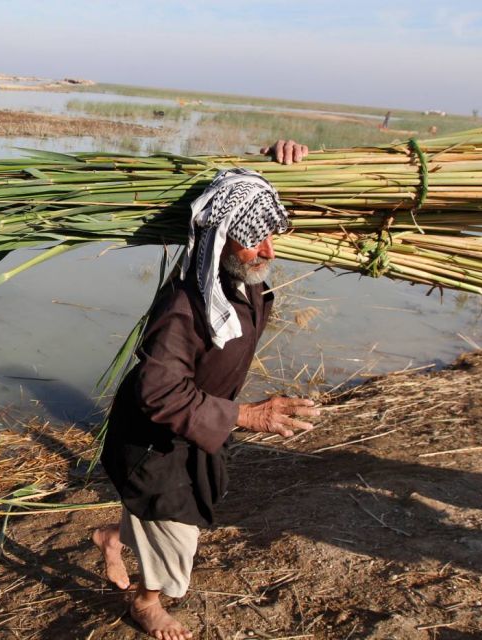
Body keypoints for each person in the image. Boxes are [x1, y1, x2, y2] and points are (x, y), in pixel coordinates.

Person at [93, 140, 318, 640]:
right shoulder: (185, 305)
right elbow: (160, 391)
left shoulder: (242, 280)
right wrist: (250, 416)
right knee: (177, 533)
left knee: (178, 510)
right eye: (253, 240)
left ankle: (112, 537)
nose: (268, 251)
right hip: (154, 436)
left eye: (271, 237)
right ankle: (146, 602)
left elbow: (254, 195)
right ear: (219, 240)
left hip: (193, 428)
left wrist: (280, 157)